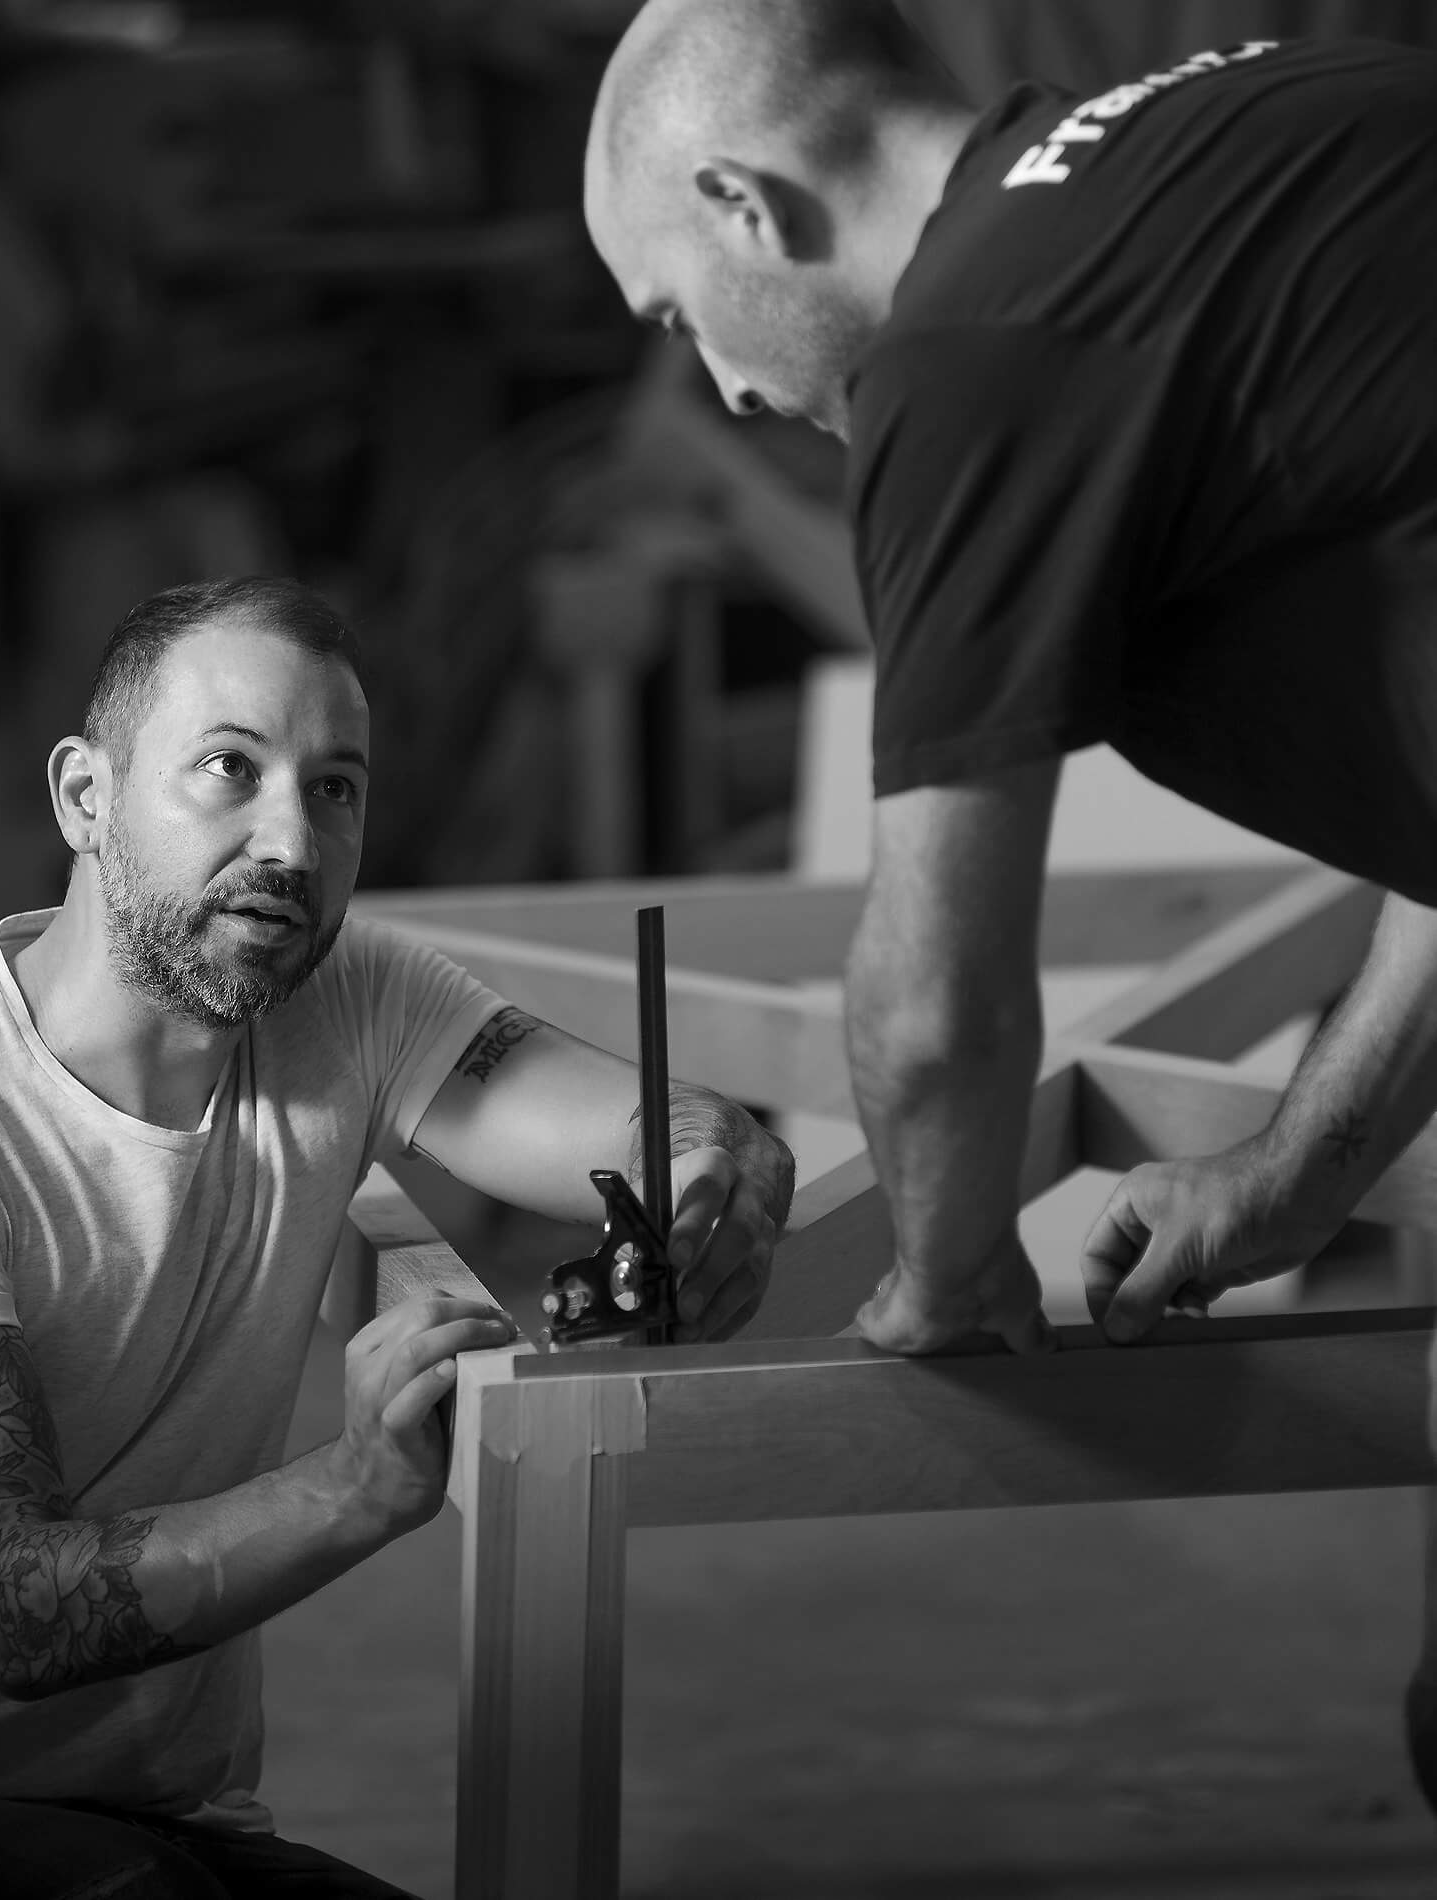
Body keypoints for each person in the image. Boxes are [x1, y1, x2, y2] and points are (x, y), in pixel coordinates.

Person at [584, 0, 1437, 1800]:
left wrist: (944, 1274)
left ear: (750, 204)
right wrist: (1301, 1171)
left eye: (679, 318)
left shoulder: (975, 348)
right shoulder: (1236, 143)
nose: (726, 391)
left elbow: (936, 1007)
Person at [0, 575, 795, 1899]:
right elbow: (13, 1604)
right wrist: (354, 1485)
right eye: (230, 770)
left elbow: (661, 1130)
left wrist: (720, 1182)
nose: (292, 843)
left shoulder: (355, 999)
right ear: (86, 797)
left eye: (336, 788)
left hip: (162, 1830)